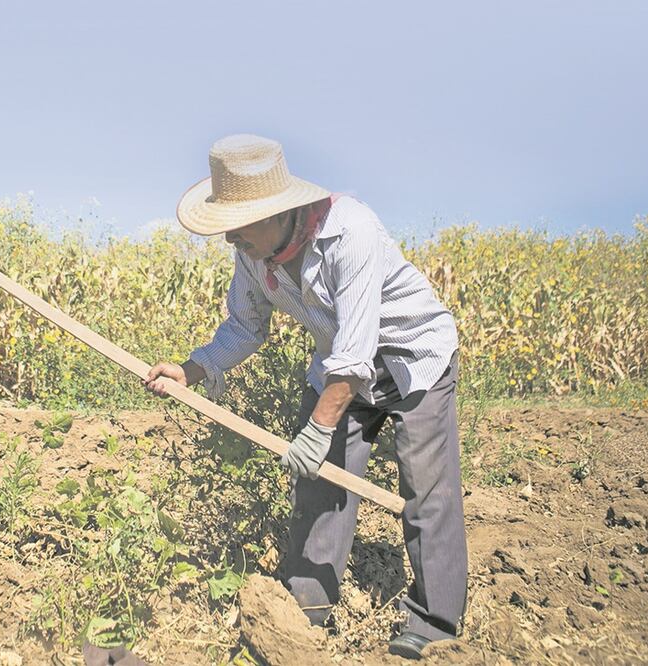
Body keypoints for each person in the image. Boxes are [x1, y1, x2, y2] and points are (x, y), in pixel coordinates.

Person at [145, 134, 467, 659]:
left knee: (425, 490)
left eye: (239, 224)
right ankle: (307, 608)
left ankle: (435, 623)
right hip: (341, 363)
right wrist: (192, 369)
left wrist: (316, 432)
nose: (230, 238)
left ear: (278, 213)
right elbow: (245, 326)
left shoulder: (350, 233)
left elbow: (356, 354)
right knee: (318, 483)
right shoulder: (255, 252)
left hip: (413, 361)